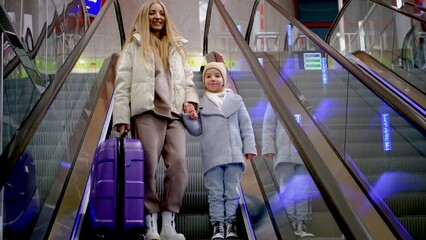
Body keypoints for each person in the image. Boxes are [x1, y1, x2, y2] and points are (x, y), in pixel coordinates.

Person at [112, 1, 199, 240]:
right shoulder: (134, 47)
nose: (157, 17)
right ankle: (150, 222)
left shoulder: (177, 48)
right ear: (144, 17)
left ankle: (169, 222)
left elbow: (189, 82)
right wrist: (121, 116)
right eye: (152, 13)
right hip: (147, 112)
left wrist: (191, 101)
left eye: (161, 13)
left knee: (180, 163)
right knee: (147, 166)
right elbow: (122, 85)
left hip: (174, 115)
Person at [182, 62, 257, 240]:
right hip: (212, 156)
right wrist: (189, 117)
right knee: (215, 193)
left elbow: (246, 126)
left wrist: (250, 147)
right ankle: (217, 225)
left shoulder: (236, 101)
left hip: (234, 155)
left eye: (217, 75)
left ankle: (230, 224)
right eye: (208, 76)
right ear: (204, 81)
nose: (212, 79)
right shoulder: (200, 104)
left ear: (224, 80)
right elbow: (196, 130)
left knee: (231, 192)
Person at [261, 103, 314, 238]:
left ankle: (300, 223)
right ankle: (289, 224)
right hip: (283, 154)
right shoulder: (274, 99)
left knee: (303, 191)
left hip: (303, 155)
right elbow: (269, 124)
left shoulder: (301, 98)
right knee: (287, 191)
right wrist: (268, 148)